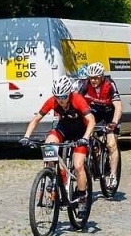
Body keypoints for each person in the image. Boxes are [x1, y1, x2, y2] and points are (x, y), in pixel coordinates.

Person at [19, 75, 96, 210]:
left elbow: (91, 120)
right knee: (49, 144)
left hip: (80, 132)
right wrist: (26, 136)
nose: (60, 100)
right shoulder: (52, 101)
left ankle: (83, 197)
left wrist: (85, 137)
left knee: (78, 165)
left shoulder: (77, 99)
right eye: (58, 97)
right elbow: (36, 119)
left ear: (69, 94)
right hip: (63, 129)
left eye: (64, 97)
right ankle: (56, 176)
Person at [79, 61, 122, 184]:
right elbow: (78, 101)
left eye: (96, 78)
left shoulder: (109, 84)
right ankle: (94, 152)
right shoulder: (86, 84)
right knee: (86, 131)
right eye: (91, 78)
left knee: (111, 144)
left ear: (102, 76)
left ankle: (113, 175)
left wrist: (114, 122)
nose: (93, 81)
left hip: (110, 112)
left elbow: (118, 106)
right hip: (96, 111)